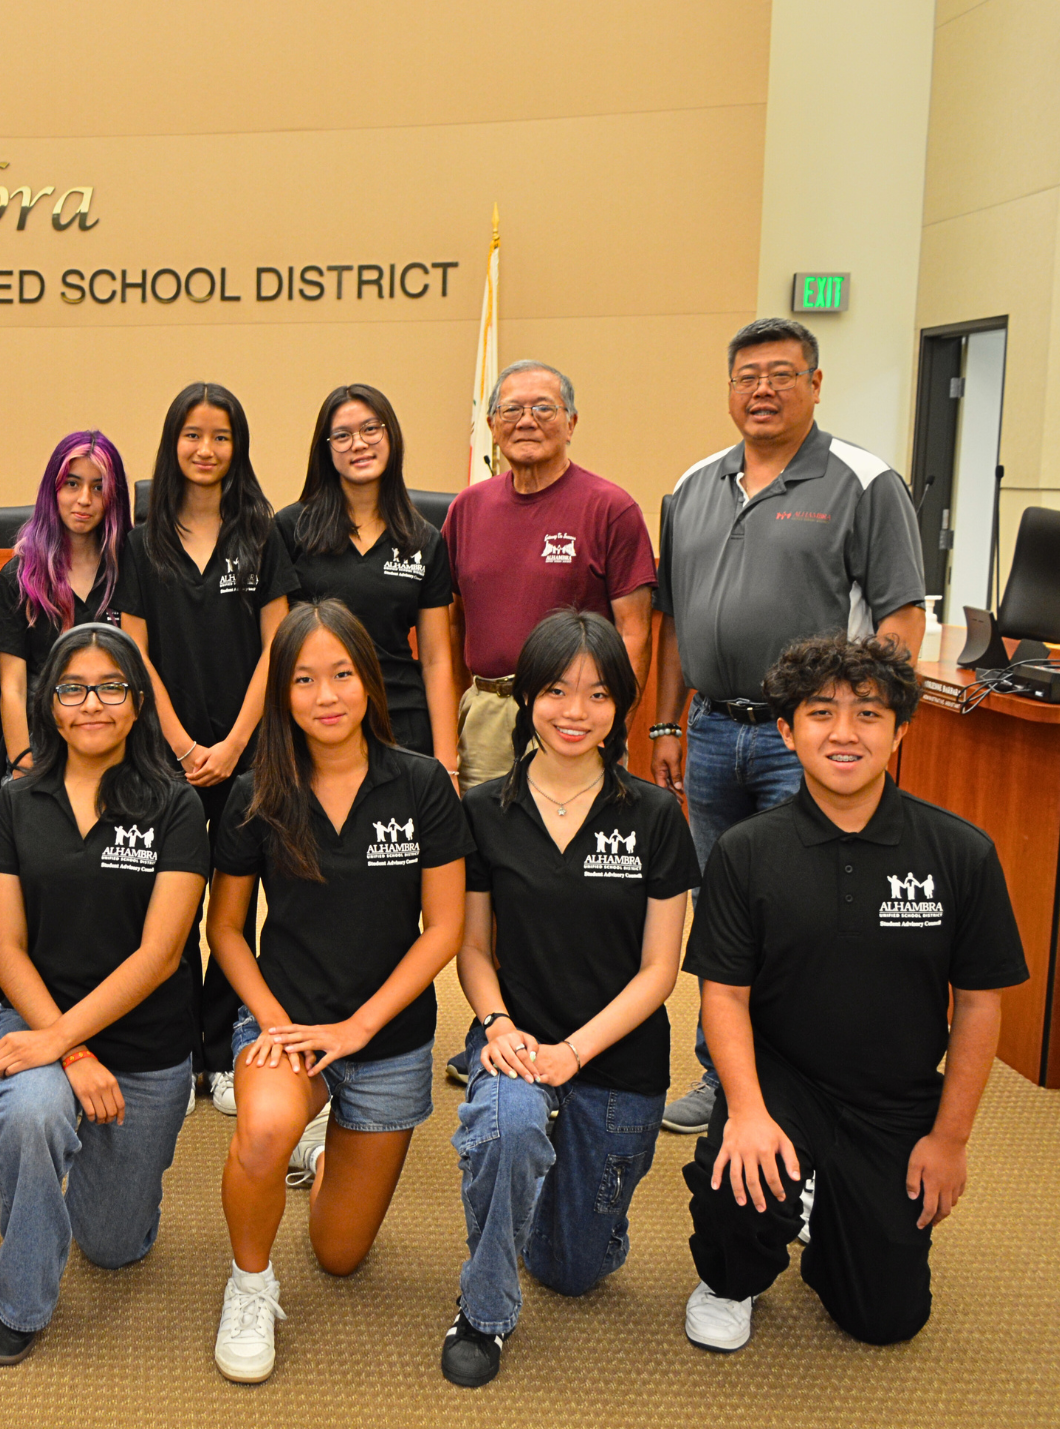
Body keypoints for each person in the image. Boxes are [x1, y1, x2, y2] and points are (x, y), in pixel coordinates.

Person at [681, 634, 1024, 1353]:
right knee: (739, 1177)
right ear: (787, 730)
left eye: (868, 714)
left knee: (884, 1319)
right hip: (782, 1079)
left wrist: (949, 1139)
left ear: (902, 730)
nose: (844, 733)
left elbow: (981, 1005)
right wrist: (743, 1109)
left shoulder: (961, 853)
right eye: (820, 713)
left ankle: (827, 1206)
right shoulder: (747, 850)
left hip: (893, 1097)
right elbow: (724, 993)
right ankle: (732, 1274)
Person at [651, 317, 928, 1137]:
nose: (761, 389)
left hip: (800, 741)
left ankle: (795, 1083)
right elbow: (673, 621)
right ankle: (720, 1070)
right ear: (729, 389)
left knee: (808, 911)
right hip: (709, 731)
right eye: (746, 376)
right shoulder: (696, 482)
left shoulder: (863, 481)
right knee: (722, 908)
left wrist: (855, 729)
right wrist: (667, 719)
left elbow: (900, 621)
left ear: (815, 382)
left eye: (780, 373)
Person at [208, 601, 470, 1383]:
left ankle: (328, 1155)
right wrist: (279, 1022)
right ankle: (250, 1285)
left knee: (340, 1254)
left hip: (385, 1039)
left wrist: (358, 1027)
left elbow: (444, 928)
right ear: (282, 695)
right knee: (261, 1131)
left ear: (369, 680)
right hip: (285, 1023)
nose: (326, 695)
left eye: (343, 674)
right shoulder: (258, 791)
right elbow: (225, 930)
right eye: (303, 679)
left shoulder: (421, 783)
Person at [440, 609, 698, 1387]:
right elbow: (473, 947)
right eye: (555, 690)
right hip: (517, 1046)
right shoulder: (486, 810)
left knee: (573, 1268)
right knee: (509, 1122)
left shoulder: (653, 815)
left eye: (596, 694)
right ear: (527, 699)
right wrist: (498, 1023)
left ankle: (545, 1191)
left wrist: (574, 1052)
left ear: (621, 704)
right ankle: (482, 1312)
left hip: (617, 1064)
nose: (574, 713)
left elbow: (660, 970)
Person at [0, 622, 208, 1366]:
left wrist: (64, 1042)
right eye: (73, 688)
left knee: (112, 1246)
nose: (92, 704)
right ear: (49, 703)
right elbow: (6, 947)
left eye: (112, 687)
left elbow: (161, 952)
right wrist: (65, 1047)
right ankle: (20, 1299)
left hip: (146, 1043)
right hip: (44, 1022)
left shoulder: (176, 806)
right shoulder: (15, 803)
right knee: (33, 1113)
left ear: (138, 704)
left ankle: (92, 1197)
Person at [438, 359, 657, 1085]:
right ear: (491, 426)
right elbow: (455, 621)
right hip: (489, 710)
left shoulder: (608, 507)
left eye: (543, 407)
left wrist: (607, 717)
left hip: (573, 718)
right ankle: (494, 1026)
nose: (525, 420)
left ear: (572, 420)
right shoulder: (467, 508)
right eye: (510, 410)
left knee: (570, 876)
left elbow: (634, 630)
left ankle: (579, 1027)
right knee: (493, 876)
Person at [115, 381, 298, 1112]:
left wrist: (232, 745)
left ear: (237, 447)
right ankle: (171, 1051)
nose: (206, 449)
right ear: (172, 443)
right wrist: (185, 742)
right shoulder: (139, 542)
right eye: (193, 434)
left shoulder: (260, 535)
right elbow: (135, 654)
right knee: (165, 908)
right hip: (162, 759)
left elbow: (278, 645)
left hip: (247, 760)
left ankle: (222, 1051)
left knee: (236, 906)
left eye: (220, 436)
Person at [275, 384, 456, 764]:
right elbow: (275, 648)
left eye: (371, 429)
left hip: (402, 722)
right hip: (318, 721)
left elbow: (437, 659)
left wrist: (447, 764)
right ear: (326, 449)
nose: (359, 444)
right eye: (342, 435)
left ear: (391, 435)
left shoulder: (424, 539)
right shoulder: (291, 530)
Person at [0, 430, 132, 781]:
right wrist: (23, 766)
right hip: (41, 744)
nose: (84, 499)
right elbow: (13, 688)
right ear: (53, 490)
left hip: (119, 745)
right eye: (72, 484)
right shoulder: (19, 577)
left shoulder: (132, 569)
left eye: (99, 487)